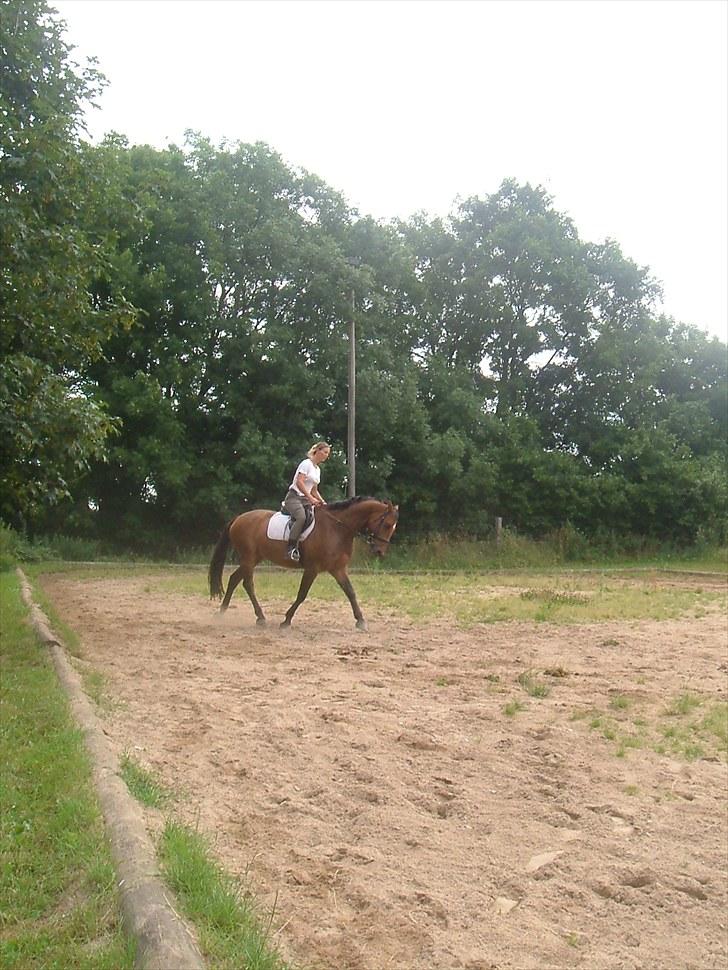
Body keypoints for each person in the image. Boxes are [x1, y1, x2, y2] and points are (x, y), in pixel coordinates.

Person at [282, 442, 330, 560]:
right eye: (325, 452)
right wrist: (310, 498)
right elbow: (300, 482)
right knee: (301, 517)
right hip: (294, 497)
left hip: (305, 500)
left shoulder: (317, 470)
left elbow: (314, 490)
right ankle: (291, 548)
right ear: (317, 451)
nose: (326, 455)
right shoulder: (306, 463)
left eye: (327, 453)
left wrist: (323, 502)